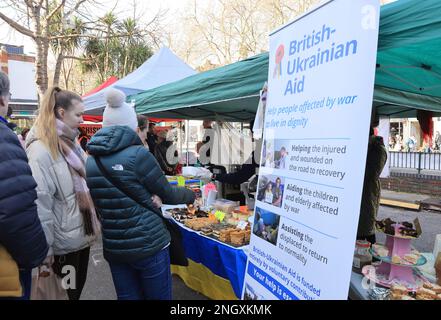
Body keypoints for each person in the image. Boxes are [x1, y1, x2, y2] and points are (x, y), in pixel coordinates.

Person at [85, 88, 195, 300]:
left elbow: (105, 199)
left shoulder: (91, 160)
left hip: (115, 246)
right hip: (149, 243)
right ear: (131, 125)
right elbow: (169, 194)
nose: (144, 132)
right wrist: (190, 195)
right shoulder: (138, 155)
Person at [26, 87, 100, 300]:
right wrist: (46, 252)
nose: (82, 119)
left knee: (73, 294)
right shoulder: (41, 151)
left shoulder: (71, 142)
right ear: (60, 113)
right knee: (65, 295)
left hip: (80, 238)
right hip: (62, 248)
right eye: (78, 114)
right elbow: (41, 205)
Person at [0, 71, 48, 300]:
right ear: (2, 99)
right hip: (7, 272)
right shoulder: (4, 139)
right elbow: (14, 211)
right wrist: (37, 254)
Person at [357, 126, 388, 244]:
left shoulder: (378, 149)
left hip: (368, 191)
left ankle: (372, 256)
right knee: (361, 225)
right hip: (363, 191)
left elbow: (371, 173)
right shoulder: (369, 147)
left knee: (367, 226)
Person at [212, 120, 261, 185]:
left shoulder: (257, 154)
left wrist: (214, 176)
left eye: (251, 132)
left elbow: (240, 177)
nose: (250, 135)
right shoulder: (259, 152)